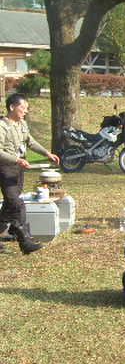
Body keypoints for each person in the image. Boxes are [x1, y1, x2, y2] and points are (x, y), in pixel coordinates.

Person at [0, 93, 60, 254]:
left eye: (27, 108)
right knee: (16, 203)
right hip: (5, 169)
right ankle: (24, 240)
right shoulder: (2, 126)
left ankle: (13, 230)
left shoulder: (22, 124)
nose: (25, 111)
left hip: (18, 170)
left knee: (9, 205)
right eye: (23, 107)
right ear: (12, 107)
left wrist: (47, 153)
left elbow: (30, 142)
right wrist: (16, 160)